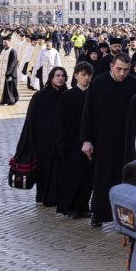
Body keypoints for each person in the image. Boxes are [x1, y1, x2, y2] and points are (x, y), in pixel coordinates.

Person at [80, 53, 136, 227]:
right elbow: (87, 113)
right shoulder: (98, 83)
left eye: (126, 70)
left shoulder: (134, 84)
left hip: (126, 140)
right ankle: (99, 213)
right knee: (102, 178)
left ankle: (126, 216)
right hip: (102, 139)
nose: (122, 74)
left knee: (126, 178)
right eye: (118, 69)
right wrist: (86, 140)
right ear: (111, 65)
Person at [18, 66, 67, 207]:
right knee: (44, 170)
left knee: (60, 169)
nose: (60, 78)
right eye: (57, 75)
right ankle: (43, 196)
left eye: (63, 76)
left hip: (61, 140)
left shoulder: (67, 95)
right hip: (43, 140)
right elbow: (31, 120)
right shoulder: (40, 96)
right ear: (51, 77)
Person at [54, 62, 94, 219]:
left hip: (89, 143)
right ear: (76, 75)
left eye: (89, 75)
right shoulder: (67, 96)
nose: (86, 78)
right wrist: (63, 144)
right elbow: (60, 122)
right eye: (83, 75)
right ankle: (70, 208)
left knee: (87, 178)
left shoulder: (93, 95)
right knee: (72, 177)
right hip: (71, 143)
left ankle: (84, 207)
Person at [0, 33, 19, 105]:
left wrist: (8, 72)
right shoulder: (2, 51)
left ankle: (11, 100)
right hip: (1, 74)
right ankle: (0, 100)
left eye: (6, 42)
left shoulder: (13, 51)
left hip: (9, 74)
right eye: (3, 42)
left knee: (9, 88)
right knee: (2, 88)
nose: (4, 44)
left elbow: (13, 63)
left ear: (9, 42)